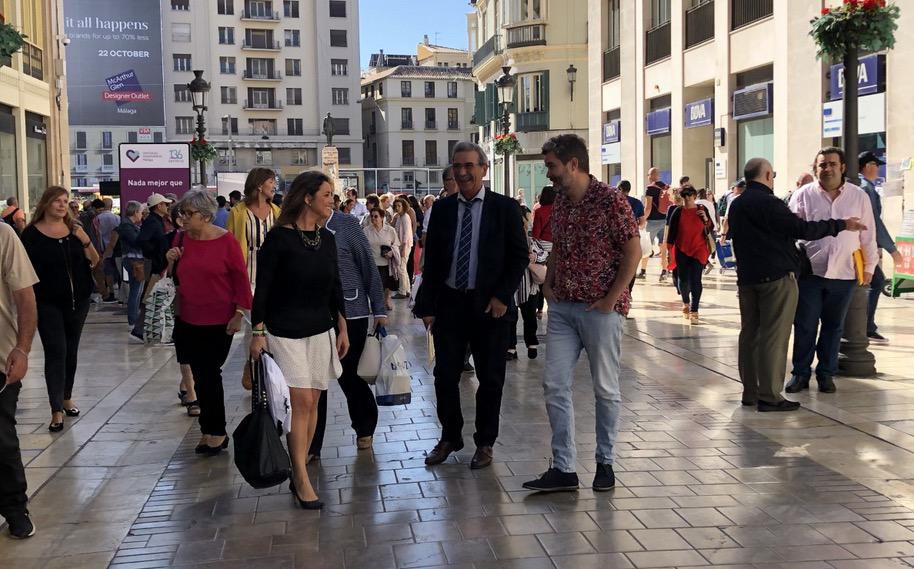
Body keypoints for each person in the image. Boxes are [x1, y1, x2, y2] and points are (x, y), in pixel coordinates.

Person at [522, 134, 640, 493]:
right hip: (563, 309)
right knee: (554, 384)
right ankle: (564, 467)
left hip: (600, 310)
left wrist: (610, 300)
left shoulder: (610, 200)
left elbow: (633, 252)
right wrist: (549, 284)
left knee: (605, 389)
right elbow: (558, 246)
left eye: (552, 167)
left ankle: (605, 462)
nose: (549, 175)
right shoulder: (561, 201)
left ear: (573, 164)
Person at [414, 141, 528, 470]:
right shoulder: (443, 209)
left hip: (489, 308)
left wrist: (503, 297)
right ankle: (450, 436)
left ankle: (485, 442)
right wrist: (427, 305)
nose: (462, 172)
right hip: (450, 304)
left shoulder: (505, 208)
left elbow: (519, 256)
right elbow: (433, 260)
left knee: (490, 379)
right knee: (443, 375)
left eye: (469, 166)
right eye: (457, 166)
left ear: (483, 169)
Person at [728, 158, 865, 412]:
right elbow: (800, 228)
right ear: (767, 174)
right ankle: (769, 396)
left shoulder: (737, 204)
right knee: (774, 337)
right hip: (776, 278)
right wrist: (841, 225)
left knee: (750, 335)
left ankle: (751, 392)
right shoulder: (769, 203)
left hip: (747, 279)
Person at [250, 171, 349, 510]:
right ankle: (301, 475)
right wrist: (257, 333)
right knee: (301, 402)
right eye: (326, 195)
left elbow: (335, 285)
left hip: (321, 329)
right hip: (284, 330)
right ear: (307, 198)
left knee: (314, 402)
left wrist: (343, 326)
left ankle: (300, 467)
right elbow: (262, 289)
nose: (331, 201)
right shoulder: (279, 240)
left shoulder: (328, 238)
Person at [786, 147, 877, 394]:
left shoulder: (858, 196)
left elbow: (868, 234)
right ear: (815, 169)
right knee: (805, 325)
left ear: (843, 167)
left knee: (833, 327)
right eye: (822, 165)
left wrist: (870, 266)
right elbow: (792, 230)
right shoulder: (803, 195)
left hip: (844, 274)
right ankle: (800, 374)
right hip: (810, 274)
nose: (827, 169)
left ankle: (826, 373)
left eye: (832, 164)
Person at [168, 190, 251, 455]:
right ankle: (209, 429)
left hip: (219, 318)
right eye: (181, 213)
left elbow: (240, 278)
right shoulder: (182, 239)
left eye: (188, 214)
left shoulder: (226, 241)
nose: (182, 219)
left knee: (209, 373)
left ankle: (216, 431)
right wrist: (170, 262)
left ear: (205, 216)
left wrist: (239, 314)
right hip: (188, 317)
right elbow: (175, 278)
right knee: (201, 375)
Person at [309, 206, 388, 462]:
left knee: (349, 375)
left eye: (329, 195)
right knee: (314, 381)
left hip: (351, 311)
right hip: (313, 315)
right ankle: (312, 443)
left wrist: (379, 310)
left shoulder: (347, 225)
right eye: (323, 196)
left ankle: (365, 425)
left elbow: (368, 266)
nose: (328, 201)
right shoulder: (297, 225)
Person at [20, 187, 99, 432]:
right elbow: (24, 270)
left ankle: (66, 397)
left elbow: (94, 260)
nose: (63, 205)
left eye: (66, 201)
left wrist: (84, 238)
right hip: (47, 301)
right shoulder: (31, 234)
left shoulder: (75, 230)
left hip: (78, 300)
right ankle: (56, 409)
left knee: (71, 351)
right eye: (57, 201)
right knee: (56, 350)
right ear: (46, 203)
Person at [0, 221, 39, 538]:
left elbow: (25, 297)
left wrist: (22, 349)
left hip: (0, 358)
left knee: (1, 438)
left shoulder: (3, 235)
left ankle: (15, 508)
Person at [858, 151, 902, 344]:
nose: (878, 169)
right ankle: (865, 327)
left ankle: (864, 326)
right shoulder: (866, 188)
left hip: (858, 246)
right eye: (876, 165)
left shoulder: (862, 186)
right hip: (861, 247)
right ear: (868, 166)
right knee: (875, 283)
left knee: (870, 283)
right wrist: (892, 249)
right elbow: (874, 222)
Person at [665, 185, 713, 323]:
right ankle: (685, 302)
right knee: (683, 279)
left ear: (694, 196)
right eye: (684, 195)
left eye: (690, 195)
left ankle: (694, 310)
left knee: (696, 279)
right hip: (682, 249)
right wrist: (670, 252)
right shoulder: (678, 212)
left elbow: (710, 227)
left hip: (699, 249)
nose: (687, 198)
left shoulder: (701, 210)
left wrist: (705, 219)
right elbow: (671, 234)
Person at [130, 193, 173, 342]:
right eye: (166, 204)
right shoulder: (153, 222)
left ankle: (143, 328)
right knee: (151, 296)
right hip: (154, 264)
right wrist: (154, 253)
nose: (168, 207)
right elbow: (142, 240)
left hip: (156, 263)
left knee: (153, 296)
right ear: (159, 206)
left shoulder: (157, 221)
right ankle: (140, 328)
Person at [110, 201, 145, 328]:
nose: (142, 215)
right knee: (135, 292)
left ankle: (134, 318)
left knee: (136, 291)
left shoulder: (128, 225)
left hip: (134, 260)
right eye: (141, 212)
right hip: (134, 261)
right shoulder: (126, 226)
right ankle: (133, 319)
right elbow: (136, 241)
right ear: (135, 212)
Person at [364, 207, 401, 310]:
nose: (373, 218)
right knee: (374, 286)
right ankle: (375, 304)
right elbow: (362, 246)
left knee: (387, 284)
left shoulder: (390, 230)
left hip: (386, 263)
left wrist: (391, 252)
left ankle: (387, 299)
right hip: (372, 263)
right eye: (371, 216)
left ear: (382, 217)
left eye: (376, 216)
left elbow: (396, 244)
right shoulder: (366, 230)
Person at [639, 168, 668, 280]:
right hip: (665, 221)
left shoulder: (650, 188)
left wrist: (643, 221)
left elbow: (648, 207)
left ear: (650, 176)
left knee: (646, 246)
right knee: (663, 246)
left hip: (652, 221)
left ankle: (643, 271)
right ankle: (664, 271)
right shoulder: (665, 187)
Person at [619, 180, 645, 295]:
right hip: (632, 238)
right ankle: (628, 291)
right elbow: (642, 222)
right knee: (632, 263)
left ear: (619, 188)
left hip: (617, 238)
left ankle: (619, 291)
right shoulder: (637, 203)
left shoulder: (615, 201)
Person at [93, 198, 120, 303]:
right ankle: (121, 294)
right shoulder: (117, 218)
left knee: (107, 272)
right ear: (111, 205)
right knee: (118, 271)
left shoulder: (97, 219)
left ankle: (111, 292)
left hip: (104, 249)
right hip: (117, 249)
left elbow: (97, 235)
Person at [391, 196, 414, 299]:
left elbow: (406, 234)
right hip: (401, 245)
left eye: (399, 206)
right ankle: (407, 290)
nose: (397, 208)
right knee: (403, 268)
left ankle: (402, 291)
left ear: (403, 206)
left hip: (404, 245)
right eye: (396, 206)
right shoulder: (400, 217)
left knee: (401, 268)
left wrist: (403, 248)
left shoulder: (405, 217)